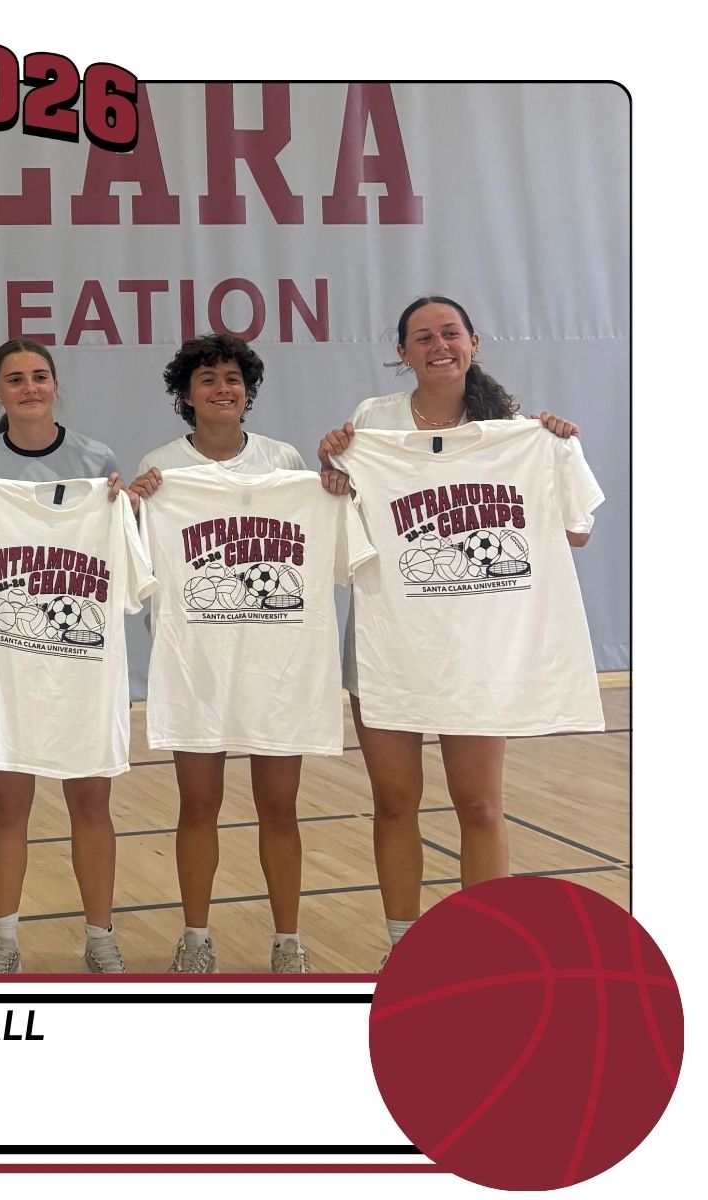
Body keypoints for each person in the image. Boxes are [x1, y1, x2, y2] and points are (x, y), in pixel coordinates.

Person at [317, 295, 584, 966]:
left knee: (481, 806)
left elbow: (574, 531)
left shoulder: (516, 431)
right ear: (401, 353)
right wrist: (332, 472)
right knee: (394, 801)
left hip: (476, 649)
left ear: (474, 342)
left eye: (449, 333)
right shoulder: (370, 424)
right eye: (422, 337)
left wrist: (559, 449)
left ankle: (485, 947)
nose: (438, 345)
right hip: (388, 642)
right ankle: (404, 948)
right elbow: (339, 526)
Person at [128, 335, 314, 974]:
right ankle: (196, 937)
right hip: (196, 663)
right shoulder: (160, 468)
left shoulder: (285, 459)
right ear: (187, 395)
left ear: (248, 389)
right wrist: (131, 507)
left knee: (279, 806)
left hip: (275, 663)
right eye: (207, 380)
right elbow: (136, 564)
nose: (222, 389)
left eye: (232, 378)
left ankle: (287, 941)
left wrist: (334, 487)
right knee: (197, 805)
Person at [0, 341, 132, 974]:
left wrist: (127, 499)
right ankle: (3, 938)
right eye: (14, 380)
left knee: (91, 805)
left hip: (83, 664)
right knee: (8, 806)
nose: (29, 388)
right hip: (10, 661)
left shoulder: (98, 460)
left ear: (56, 385)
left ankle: (100, 936)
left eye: (39, 377)